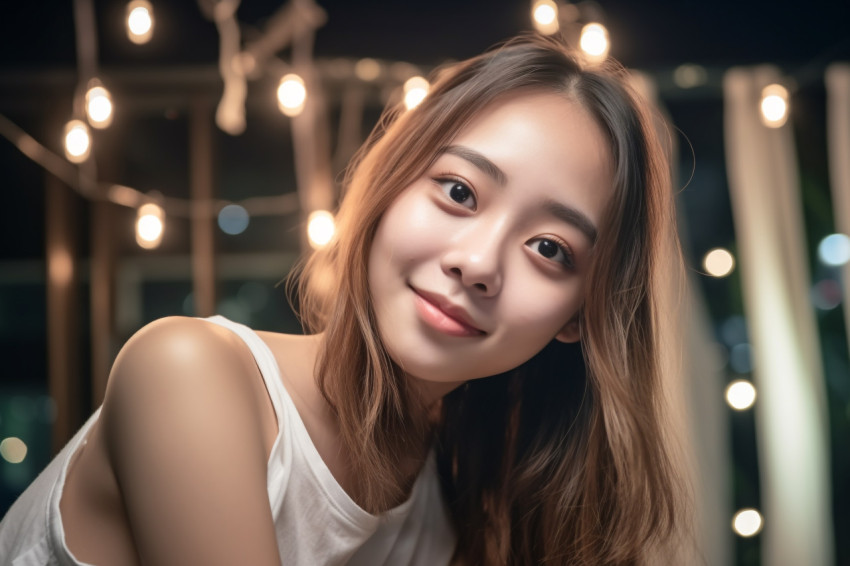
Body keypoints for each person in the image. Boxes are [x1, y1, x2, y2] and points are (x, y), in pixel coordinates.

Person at [1, 34, 690, 565]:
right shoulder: (186, 372)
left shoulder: (461, 497)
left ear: (580, 315)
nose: (478, 263)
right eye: (458, 191)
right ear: (390, 187)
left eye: (549, 249)